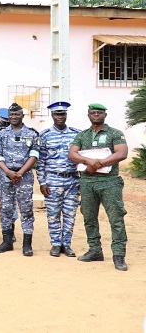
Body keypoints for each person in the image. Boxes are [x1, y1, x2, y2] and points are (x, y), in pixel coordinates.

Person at [68, 103, 129, 271]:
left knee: (116, 219)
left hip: (109, 182)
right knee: (89, 218)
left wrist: (99, 164)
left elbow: (122, 153)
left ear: (105, 115)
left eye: (99, 112)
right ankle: (95, 250)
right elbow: (72, 153)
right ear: (88, 115)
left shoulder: (114, 133)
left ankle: (118, 255)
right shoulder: (82, 135)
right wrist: (88, 162)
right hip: (87, 182)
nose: (96, 115)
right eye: (93, 112)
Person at [0, 103, 39, 256]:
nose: (13, 117)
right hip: (5, 176)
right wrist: (9, 173)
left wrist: (19, 173)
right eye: (11, 115)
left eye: (16, 115)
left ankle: (27, 244)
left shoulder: (31, 134)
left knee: (26, 210)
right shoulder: (0, 134)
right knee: (5, 209)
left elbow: (34, 155)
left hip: (24, 177)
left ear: (22, 116)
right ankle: (7, 241)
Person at [38, 101, 81, 257]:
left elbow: (81, 159)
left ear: (66, 115)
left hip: (72, 180)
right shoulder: (44, 135)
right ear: (52, 115)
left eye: (62, 114)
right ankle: (56, 244)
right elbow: (40, 161)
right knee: (53, 214)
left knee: (70, 214)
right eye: (57, 114)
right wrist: (42, 182)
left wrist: (81, 182)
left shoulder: (77, 134)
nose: (60, 117)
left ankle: (67, 244)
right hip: (53, 180)